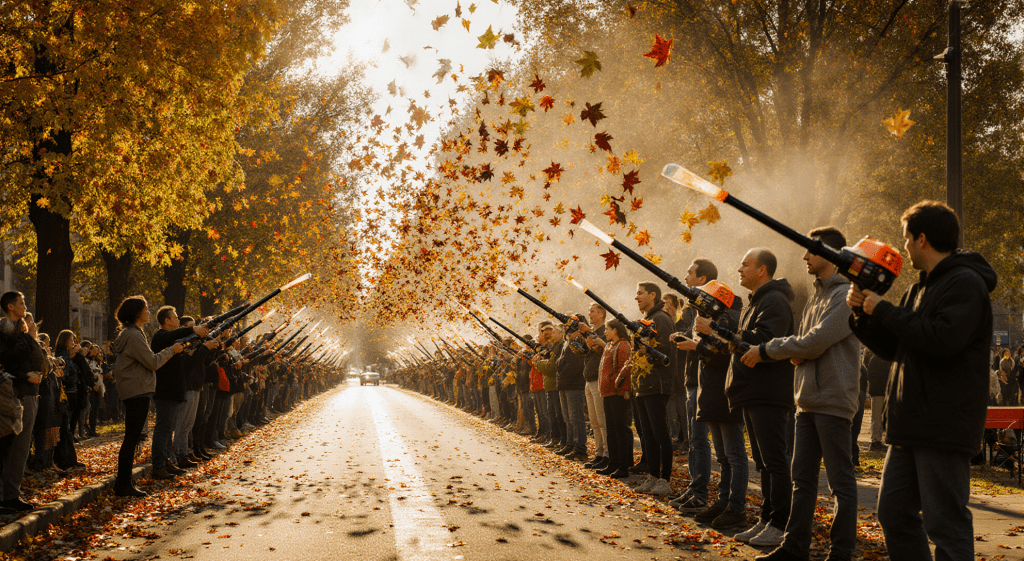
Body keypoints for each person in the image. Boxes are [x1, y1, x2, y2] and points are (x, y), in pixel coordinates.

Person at [848, 200, 996, 561]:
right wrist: (862, 315)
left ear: (922, 239)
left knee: (945, 524)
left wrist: (883, 309)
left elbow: (942, 339)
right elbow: (896, 346)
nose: (904, 247)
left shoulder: (966, 283)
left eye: (906, 239)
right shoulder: (918, 290)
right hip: (909, 424)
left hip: (943, 424)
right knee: (894, 514)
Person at [742, 227, 861, 561]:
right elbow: (804, 344)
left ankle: (841, 552)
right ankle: (794, 548)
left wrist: (767, 349)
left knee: (840, 483)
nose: (805, 256)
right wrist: (800, 350)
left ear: (831, 253)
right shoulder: (816, 295)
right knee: (802, 481)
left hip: (834, 400)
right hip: (806, 399)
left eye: (811, 250)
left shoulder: (846, 295)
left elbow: (814, 342)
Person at [697, 248, 795, 541]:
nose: (739, 269)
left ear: (762, 270)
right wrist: (719, 336)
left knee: (774, 461)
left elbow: (764, 342)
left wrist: (716, 329)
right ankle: (766, 519)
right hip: (751, 391)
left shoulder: (774, 300)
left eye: (745, 265)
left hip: (767, 391)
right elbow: (739, 344)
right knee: (762, 463)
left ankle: (779, 524)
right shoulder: (757, 301)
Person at [111, 296, 185, 497]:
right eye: (145, 309)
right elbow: (152, 362)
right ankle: (123, 483)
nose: (149, 312)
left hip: (135, 389)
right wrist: (172, 350)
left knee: (132, 437)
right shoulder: (134, 336)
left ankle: (123, 482)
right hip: (137, 390)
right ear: (137, 313)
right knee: (132, 438)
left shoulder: (132, 333)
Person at [0, 292, 46, 512]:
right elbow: (7, 362)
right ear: (10, 307)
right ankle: (7, 496)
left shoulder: (24, 333)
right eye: (21, 303)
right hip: (13, 394)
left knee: (22, 447)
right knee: (12, 447)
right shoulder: (5, 331)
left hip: (30, 392)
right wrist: (25, 375)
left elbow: (39, 362)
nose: (25, 307)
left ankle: (12, 493)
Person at [630, 282, 677, 497]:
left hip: (657, 384)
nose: (636, 297)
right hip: (643, 384)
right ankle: (652, 475)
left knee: (660, 433)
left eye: (640, 293)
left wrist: (646, 352)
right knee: (647, 434)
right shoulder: (647, 320)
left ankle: (664, 480)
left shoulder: (661, 318)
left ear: (652, 295)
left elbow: (666, 352)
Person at [599, 319, 632, 478]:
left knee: (620, 430)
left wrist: (623, 390)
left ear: (615, 330)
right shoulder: (609, 345)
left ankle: (623, 466)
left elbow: (624, 369)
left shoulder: (623, 345)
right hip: (607, 393)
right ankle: (612, 463)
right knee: (611, 430)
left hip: (617, 393)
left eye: (607, 329)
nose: (604, 332)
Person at [580, 304, 608, 468]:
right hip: (589, 378)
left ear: (601, 314)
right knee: (594, 421)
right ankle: (598, 453)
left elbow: (608, 349)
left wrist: (589, 332)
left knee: (602, 420)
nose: (589, 314)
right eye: (589, 311)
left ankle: (607, 455)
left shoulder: (605, 331)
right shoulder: (591, 333)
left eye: (592, 312)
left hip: (599, 378)